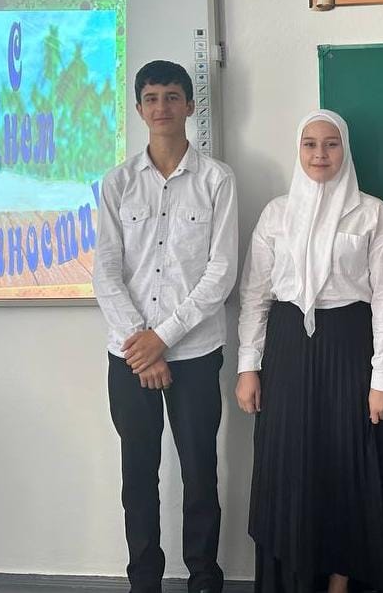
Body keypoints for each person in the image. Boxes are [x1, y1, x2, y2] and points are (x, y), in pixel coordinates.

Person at [235, 109, 383, 593]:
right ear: (299, 150)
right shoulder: (276, 213)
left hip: (350, 347)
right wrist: (248, 367)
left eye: (330, 144)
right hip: (287, 348)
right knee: (288, 462)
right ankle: (293, 577)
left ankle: (340, 580)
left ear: (344, 149)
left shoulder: (372, 213)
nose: (320, 154)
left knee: (347, 462)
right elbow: (255, 295)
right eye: (310, 144)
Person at [93, 60, 238, 593]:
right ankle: (143, 580)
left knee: (200, 472)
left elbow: (221, 272)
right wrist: (143, 343)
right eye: (151, 98)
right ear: (138, 108)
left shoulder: (218, 179)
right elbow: (106, 270)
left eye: (172, 97)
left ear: (189, 105)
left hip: (195, 353)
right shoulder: (117, 183)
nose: (162, 108)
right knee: (138, 475)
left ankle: (204, 577)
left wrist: (163, 338)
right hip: (129, 355)